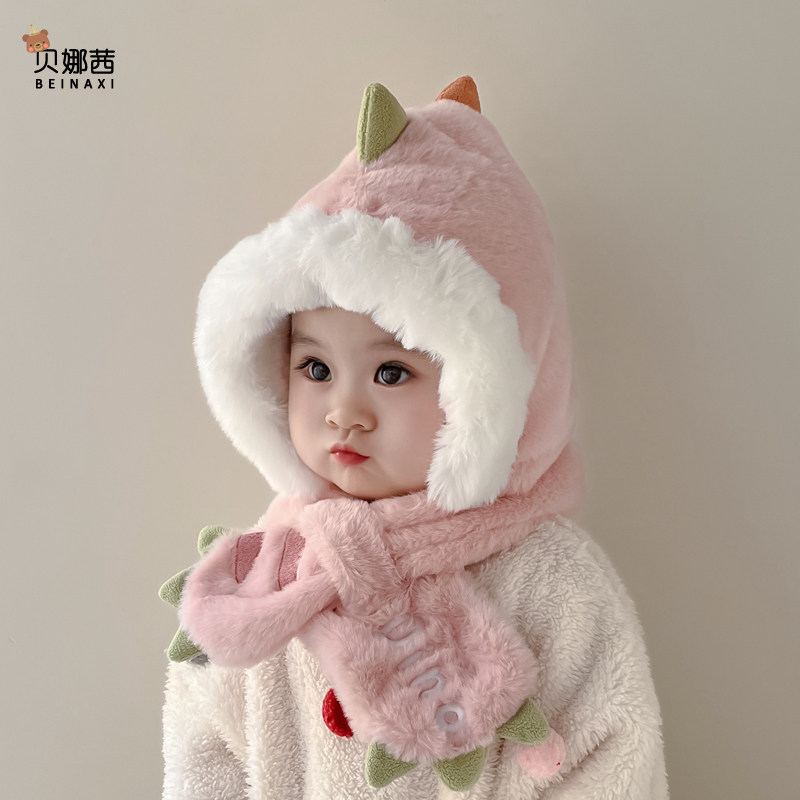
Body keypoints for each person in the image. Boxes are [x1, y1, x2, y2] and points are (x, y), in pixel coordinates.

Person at [161, 77, 668, 799]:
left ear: (489, 393)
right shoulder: (265, 576)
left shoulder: (553, 585)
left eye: (392, 373)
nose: (344, 412)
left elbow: (612, 764)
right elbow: (204, 754)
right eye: (315, 368)